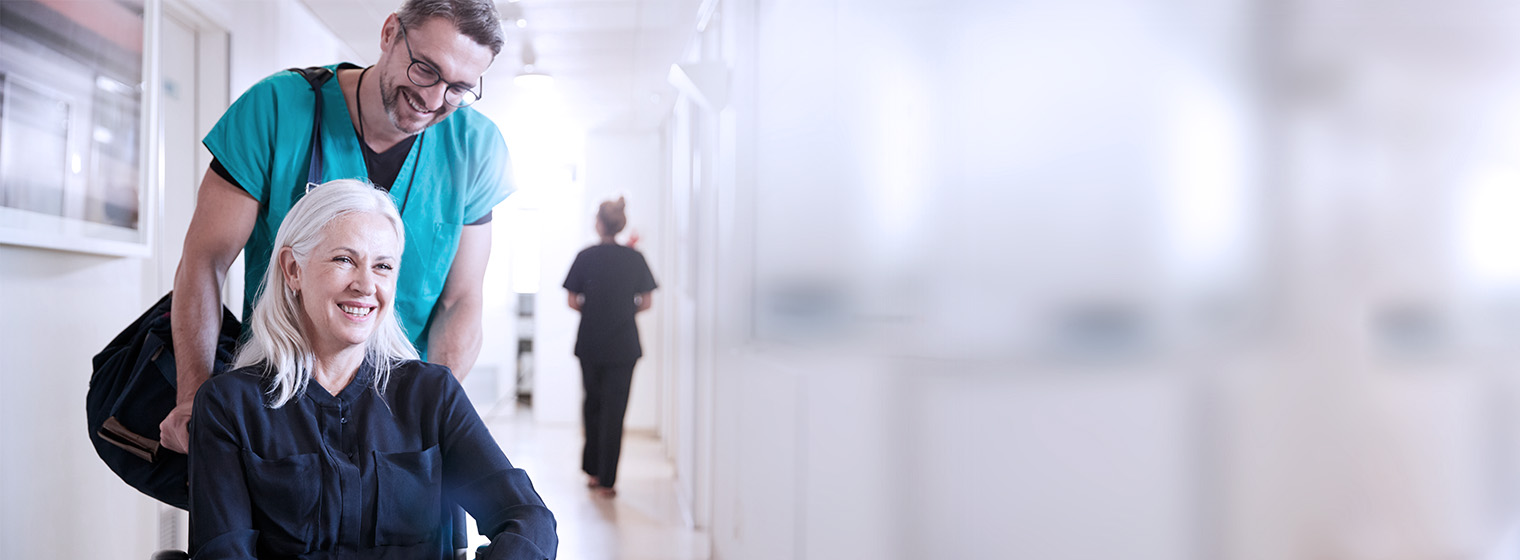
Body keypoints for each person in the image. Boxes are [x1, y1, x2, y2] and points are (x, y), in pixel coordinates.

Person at [162, 0, 512, 455]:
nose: (433, 99)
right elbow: (204, 262)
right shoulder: (277, 109)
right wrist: (195, 396)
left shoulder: (476, 146)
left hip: (399, 413)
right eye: (426, 69)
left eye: (458, 88)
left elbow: (461, 299)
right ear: (389, 33)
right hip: (278, 401)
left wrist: (431, 412)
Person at [189, 180, 556, 559]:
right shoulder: (229, 405)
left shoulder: (431, 394)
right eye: (344, 259)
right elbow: (223, 552)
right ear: (293, 269)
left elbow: (528, 518)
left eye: (382, 266)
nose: (366, 285)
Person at [562, 197, 658, 497]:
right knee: (615, 411)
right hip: (624, 345)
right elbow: (647, 301)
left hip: (590, 342)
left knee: (592, 405)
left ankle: (592, 471)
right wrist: (623, 311)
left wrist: (594, 311)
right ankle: (608, 481)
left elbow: (571, 300)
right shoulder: (635, 258)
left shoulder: (585, 256)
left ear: (599, 223)